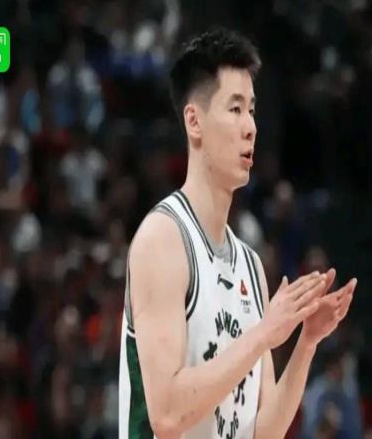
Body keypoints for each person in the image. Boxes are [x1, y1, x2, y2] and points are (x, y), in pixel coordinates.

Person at [119, 27, 357, 439]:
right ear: (194, 121)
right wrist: (264, 334)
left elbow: (263, 431)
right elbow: (167, 415)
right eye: (235, 109)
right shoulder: (163, 240)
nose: (250, 127)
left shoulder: (249, 264)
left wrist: (306, 343)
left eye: (252, 110)